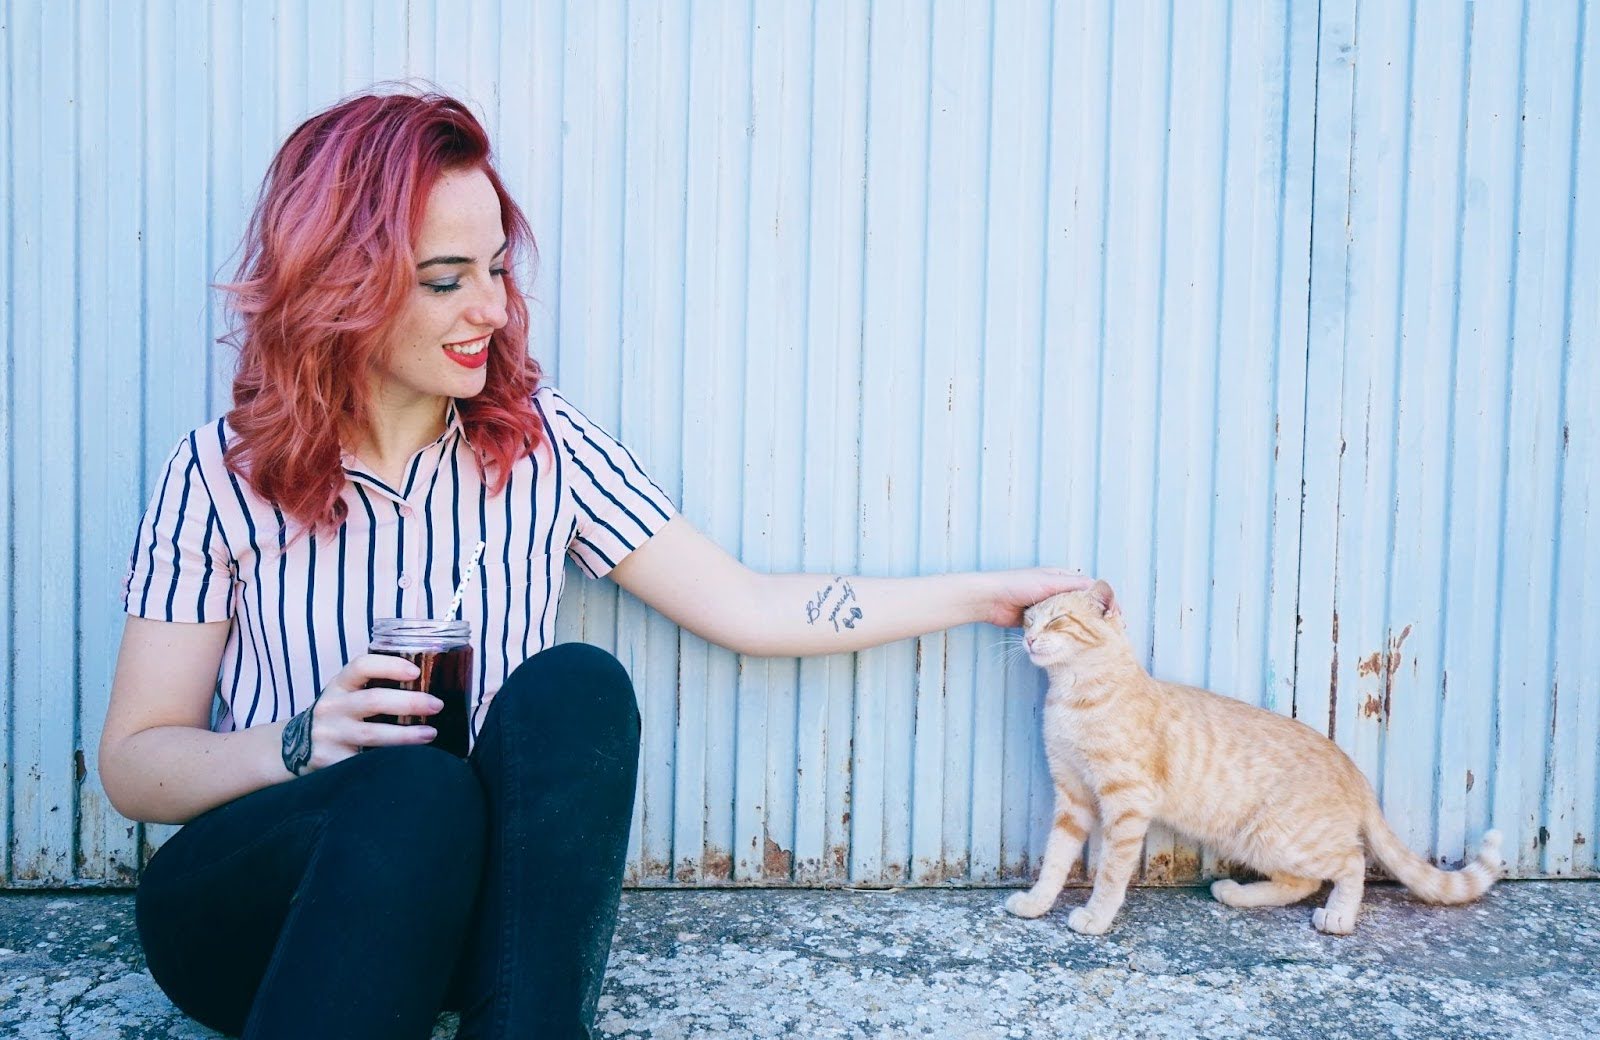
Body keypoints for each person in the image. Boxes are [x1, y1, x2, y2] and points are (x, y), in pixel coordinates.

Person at [99, 89, 1096, 1040]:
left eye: (497, 268)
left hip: (458, 924)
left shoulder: (542, 448)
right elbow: (137, 763)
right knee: (407, 789)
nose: (489, 306)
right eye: (448, 278)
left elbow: (747, 604)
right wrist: (298, 741)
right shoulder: (219, 474)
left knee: (573, 685)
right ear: (341, 288)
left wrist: (984, 594)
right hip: (259, 917)